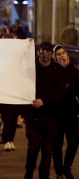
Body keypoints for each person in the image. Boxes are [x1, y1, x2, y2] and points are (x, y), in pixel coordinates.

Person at [24, 42, 62, 179]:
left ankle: (43, 176)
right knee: (33, 148)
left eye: (48, 51)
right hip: (32, 116)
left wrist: (44, 100)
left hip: (50, 117)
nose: (45, 53)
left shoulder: (57, 69)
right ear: (38, 51)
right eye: (42, 50)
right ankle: (28, 173)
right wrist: (26, 45)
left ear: (51, 54)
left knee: (47, 151)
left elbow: (59, 91)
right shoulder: (30, 68)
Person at [52, 45, 79, 179]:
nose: (62, 56)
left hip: (71, 112)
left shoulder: (74, 71)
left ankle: (67, 167)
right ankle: (58, 172)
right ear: (55, 57)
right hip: (56, 113)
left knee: (73, 142)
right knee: (57, 144)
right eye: (58, 54)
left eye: (63, 53)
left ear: (67, 55)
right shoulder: (53, 72)